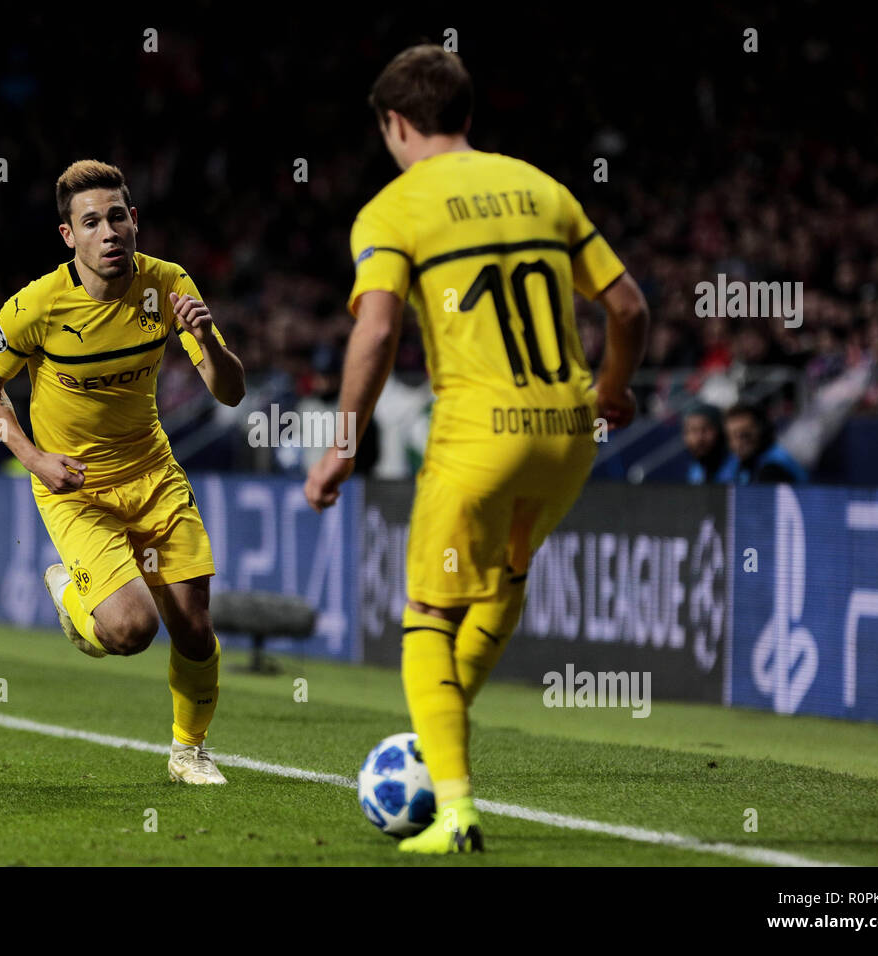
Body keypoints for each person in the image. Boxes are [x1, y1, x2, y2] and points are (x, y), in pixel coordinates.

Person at [304, 45, 649, 853]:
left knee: (427, 613)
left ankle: (453, 809)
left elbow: (380, 329)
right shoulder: (543, 188)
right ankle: (442, 734)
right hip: (567, 428)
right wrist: (612, 390)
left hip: (479, 436)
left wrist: (343, 444)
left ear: (395, 123)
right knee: (503, 579)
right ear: (466, 113)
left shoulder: (393, 209)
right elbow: (628, 308)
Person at [0, 159, 245, 784]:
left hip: (154, 472)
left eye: (117, 216)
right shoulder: (37, 306)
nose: (108, 231)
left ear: (135, 220)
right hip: (75, 486)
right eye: (91, 222)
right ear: (70, 236)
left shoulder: (168, 285)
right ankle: (71, 593)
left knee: (194, 629)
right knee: (129, 630)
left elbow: (228, 392)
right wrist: (35, 458)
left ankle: (188, 752)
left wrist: (214, 345)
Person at [722, 402, 806, 483]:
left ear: (761, 429)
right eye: (732, 437)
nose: (738, 443)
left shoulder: (774, 467)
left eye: (745, 435)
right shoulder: (735, 464)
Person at [682, 403, 733, 483]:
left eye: (706, 429)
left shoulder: (739, 467)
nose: (699, 438)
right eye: (693, 430)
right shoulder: (695, 471)